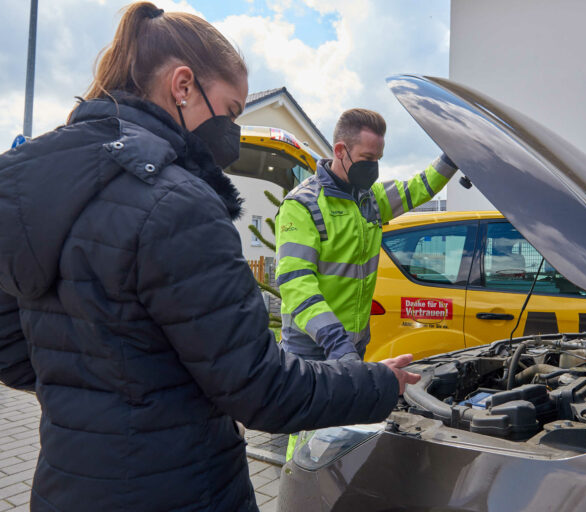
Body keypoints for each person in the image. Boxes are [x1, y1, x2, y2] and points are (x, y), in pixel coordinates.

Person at [0, 3, 419, 511]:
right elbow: (260, 387)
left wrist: (99, 388)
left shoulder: (31, 183)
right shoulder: (178, 202)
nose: (234, 129)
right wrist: (377, 382)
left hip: (66, 487)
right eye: (233, 109)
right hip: (179, 489)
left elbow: (11, 349)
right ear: (182, 85)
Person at [275, 109, 457, 459]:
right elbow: (296, 285)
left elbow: (419, 187)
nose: (373, 167)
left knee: (341, 437)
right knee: (306, 444)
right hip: (313, 350)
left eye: (379, 159)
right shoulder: (303, 206)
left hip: (352, 346)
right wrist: (336, 343)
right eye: (367, 159)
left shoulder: (369, 199)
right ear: (340, 150)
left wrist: (451, 158)